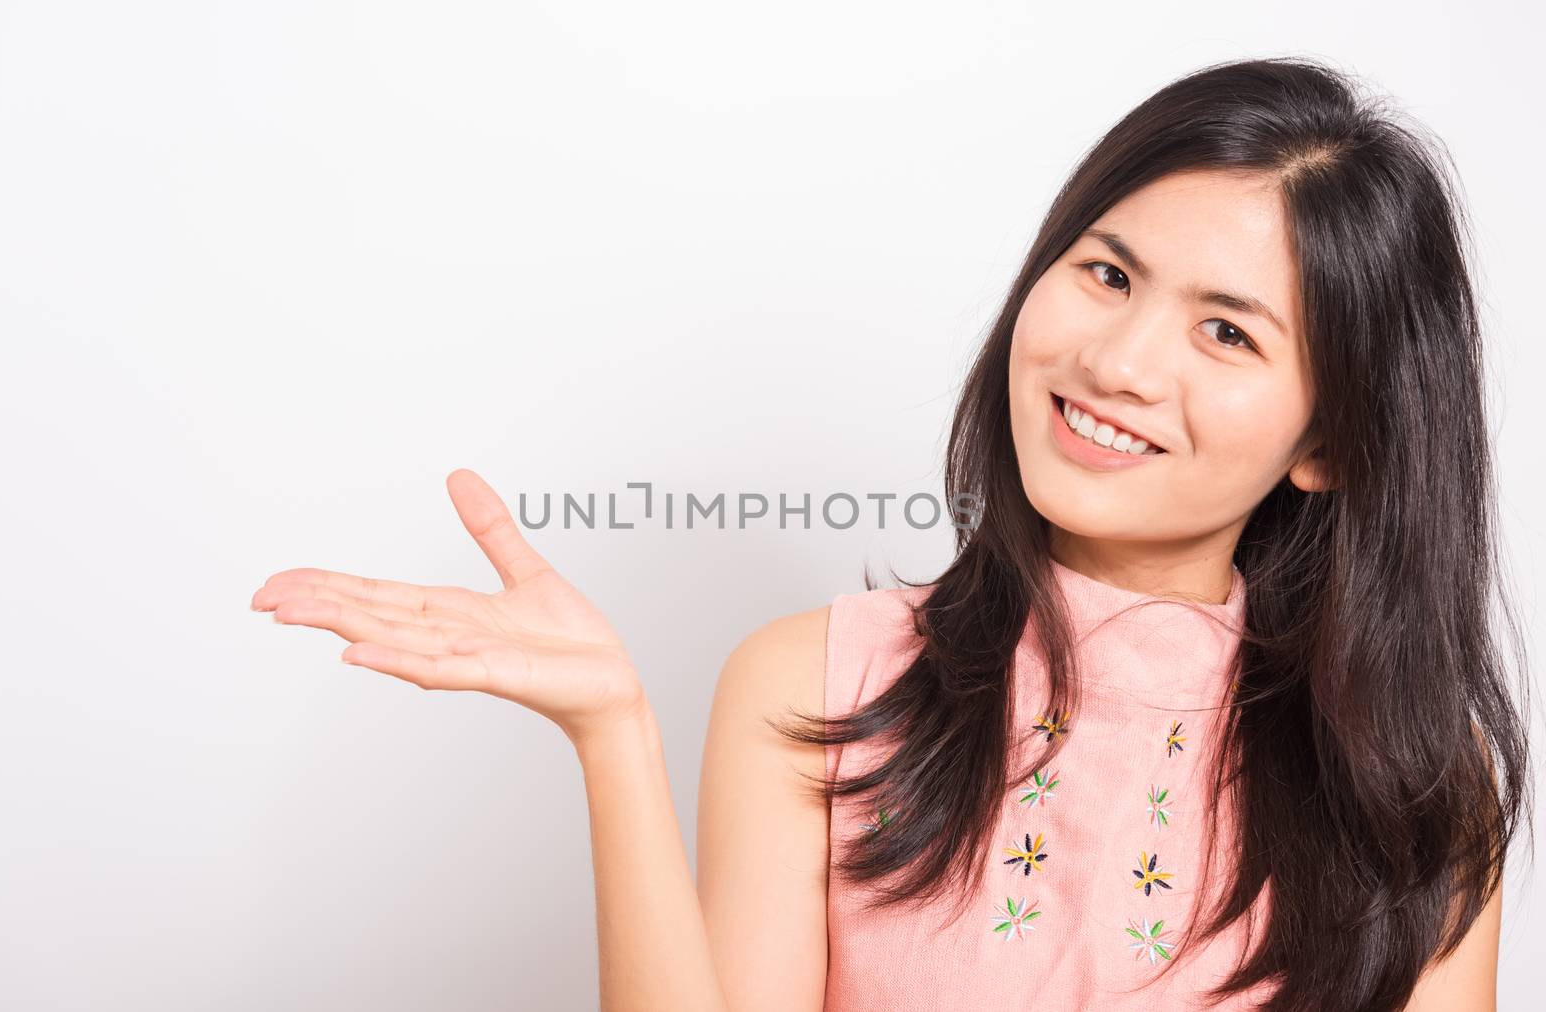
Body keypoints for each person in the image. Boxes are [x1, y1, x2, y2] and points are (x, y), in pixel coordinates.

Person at [248, 56, 1530, 1011]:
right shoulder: (816, 682)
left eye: (1227, 331)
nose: (1120, 360)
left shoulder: (1415, 781)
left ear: (1330, 440)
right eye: (1106, 271)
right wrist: (613, 738)